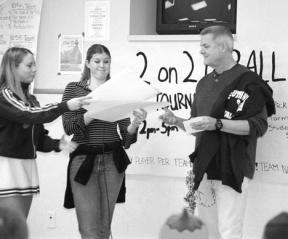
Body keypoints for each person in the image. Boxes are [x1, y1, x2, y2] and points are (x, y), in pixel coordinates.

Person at [159, 25, 275, 239]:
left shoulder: (250, 82)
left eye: (205, 46)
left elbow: (258, 127)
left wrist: (218, 124)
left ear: (223, 46)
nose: (201, 51)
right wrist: (176, 121)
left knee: (229, 232)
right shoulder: (203, 84)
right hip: (204, 167)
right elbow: (198, 128)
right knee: (209, 232)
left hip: (233, 168)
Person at [62, 43, 147, 239]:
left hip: (113, 161)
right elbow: (69, 128)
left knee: (103, 229)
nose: (102, 65)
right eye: (97, 61)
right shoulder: (74, 89)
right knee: (89, 230)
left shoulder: (117, 89)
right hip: (83, 160)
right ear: (88, 64)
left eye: (107, 61)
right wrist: (93, 113)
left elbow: (126, 139)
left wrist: (135, 124)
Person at [0, 47, 90, 219]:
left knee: (19, 228)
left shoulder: (31, 100)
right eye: (29, 65)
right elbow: (28, 115)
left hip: (25, 168)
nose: (35, 69)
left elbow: (39, 139)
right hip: (6, 169)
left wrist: (58, 144)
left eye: (35, 65)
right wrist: (65, 106)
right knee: (8, 229)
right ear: (13, 68)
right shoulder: (4, 96)